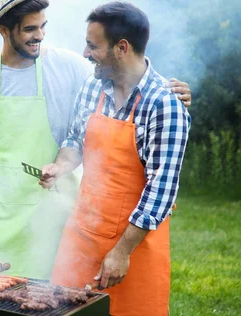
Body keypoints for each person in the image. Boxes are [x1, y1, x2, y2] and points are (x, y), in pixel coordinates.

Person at [0, 0, 192, 279]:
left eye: (43, 26)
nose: (40, 35)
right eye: (30, 29)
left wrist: (169, 90)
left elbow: (123, 68)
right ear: (4, 31)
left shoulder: (68, 66)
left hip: (56, 217)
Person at [41, 2, 191, 315]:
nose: (84, 53)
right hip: (81, 236)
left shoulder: (164, 105)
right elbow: (75, 140)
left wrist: (121, 252)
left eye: (92, 45)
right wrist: (61, 165)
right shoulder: (91, 86)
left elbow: (161, 190)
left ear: (121, 48)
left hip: (133, 246)